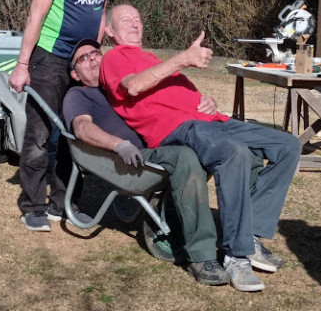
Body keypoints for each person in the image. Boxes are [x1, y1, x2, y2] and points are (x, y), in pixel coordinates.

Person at [100, 4, 303, 292]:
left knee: (288, 145)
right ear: (109, 30)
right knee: (233, 152)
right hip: (178, 129)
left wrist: (207, 100)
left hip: (213, 122)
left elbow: (189, 96)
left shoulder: (152, 59)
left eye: (137, 18)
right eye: (126, 20)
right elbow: (133, 86)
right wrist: (183, 58)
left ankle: (251, 233)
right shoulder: (114, 58)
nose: (134, 23)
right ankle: (236, 256)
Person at [61, 38, 231, 286]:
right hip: (129, 158)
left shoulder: (119, 84)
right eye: (83, 58)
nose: (93, 59)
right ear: (75, 74)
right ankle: (201, 257)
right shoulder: (79, 95)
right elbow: (82, 128)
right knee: (185, 156)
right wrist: (119, 145)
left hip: (159, 143)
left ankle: (229, 236)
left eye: (95, 53)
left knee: (206, 146)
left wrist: (206, 102)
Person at [8, 0, 118, 232]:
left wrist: (95, 53)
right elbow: (36, 15)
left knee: (77, 132)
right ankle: (33, 206)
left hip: (83, 61)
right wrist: (22, 65)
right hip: (50, 57)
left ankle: (64, 202)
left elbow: (101, 10)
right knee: (40, 135)